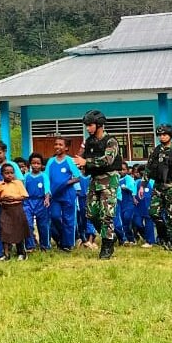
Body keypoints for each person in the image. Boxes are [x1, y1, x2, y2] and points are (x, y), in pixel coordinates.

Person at [73, 110, 122, 259]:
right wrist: (81, 165)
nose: (88, 128)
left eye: (90, 125)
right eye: (86, 126)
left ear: (99, 124)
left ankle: (107, 246)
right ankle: (110, 235)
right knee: (91, 214)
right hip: (94, 180)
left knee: (107, 214)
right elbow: (82, 159)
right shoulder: (89, 142)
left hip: (109, 180)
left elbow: (107, 160)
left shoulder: (111, 141)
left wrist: (86, 162)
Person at [145, 123, 172, 252]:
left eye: (164, 134)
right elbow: (148, 169)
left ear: (170, 135)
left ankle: (171, 243)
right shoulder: (155, 151)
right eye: (160, 135)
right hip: (158, 187)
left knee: (171, 217)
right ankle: (163, 235)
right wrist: (142, 185)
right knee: (153, 213)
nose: (161, 137)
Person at [0, 141, 23, 260]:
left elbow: (19, 182)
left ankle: (20, 251)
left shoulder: (13, 165)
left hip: (12, 203)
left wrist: (13, 197)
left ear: (5, 152)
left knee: (15, 226)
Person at [47, 137, 80, 252]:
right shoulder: (51, 161)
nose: (57, 146)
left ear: (66, 148)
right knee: (55, 217)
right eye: (56, 144)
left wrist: (66, 183)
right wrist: (47, 193)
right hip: (54, 195)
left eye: (60, 145)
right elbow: (46, 178)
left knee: (68, 219)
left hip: (68, 195)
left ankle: (68, 244)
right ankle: (61, 238)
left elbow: (78, 177)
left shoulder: (70, 161)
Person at [0, 162, 29, 261]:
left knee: (19, 230)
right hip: (5, 209)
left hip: (17, 208)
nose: (9, 175)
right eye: (7, 173)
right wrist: (2, 198)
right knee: (5, 231)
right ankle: (6, 254)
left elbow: (25, 196)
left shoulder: (18, 183)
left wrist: (14, 198)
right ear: (2, 174)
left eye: (11, 173)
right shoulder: (0, 184)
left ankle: (21, 253)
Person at [23, 153, 52, 252]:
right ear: (30, 164)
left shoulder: (44, 176)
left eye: (38, 163)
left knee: (43, 225)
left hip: (41, 202)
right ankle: (30, 246)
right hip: (28, 202)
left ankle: (45, 245)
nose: (36, 165)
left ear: (41, 165)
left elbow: (47, 189)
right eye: (33, 163)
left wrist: (47, 199)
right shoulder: (26, 176)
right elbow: (23, 189)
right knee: (28, 224)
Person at [133, 165, 156, 248]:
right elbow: (133, 192)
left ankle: (150, 241)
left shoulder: (152, 181)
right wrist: (134, 199)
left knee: (149, 223)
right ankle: (145, 236)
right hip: (138, 205)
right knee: (137, 222)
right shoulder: (137, 182)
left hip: (149, 205)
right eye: (141, 172)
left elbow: (155, 192)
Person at [118, 163, 138, 246]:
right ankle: (123, 239)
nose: (121, 171)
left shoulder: (128, 178)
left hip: (128, 202)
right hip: (120, 203)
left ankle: (131, 238)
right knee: (121, 221)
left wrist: (126, 188)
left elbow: (132, 190)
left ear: (127, 170)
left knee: (127, 219)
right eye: (120, 169)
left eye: (124, 169)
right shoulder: (116, 178)